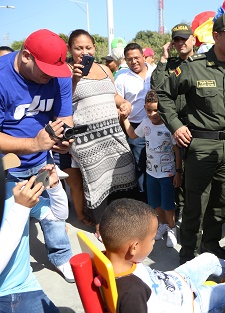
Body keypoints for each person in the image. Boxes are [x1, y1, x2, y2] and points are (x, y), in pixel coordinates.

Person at [99, 198, 225, 313]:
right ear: (133, 247)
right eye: (152, 239)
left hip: (178, 280)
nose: (154, 242)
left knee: (208, 259)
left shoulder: (115, 259)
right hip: (193, 303)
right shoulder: (131, 294)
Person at [157, 12, 225, 264]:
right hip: (201, 146)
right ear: (216, 36)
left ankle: (211, 246)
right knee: (196, 204)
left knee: (221, 202)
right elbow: (163, 96)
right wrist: (176, 125)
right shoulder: (192, 67)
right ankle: (188, 255)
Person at [0, 29, 75, 283]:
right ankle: (14, 277)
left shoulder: (59, 74)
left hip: (43, 159)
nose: (51, 77)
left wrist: (63, 140)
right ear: (25, 56)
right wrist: (33, 143)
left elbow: (64, 118)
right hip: (8, 165)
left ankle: (62, 257)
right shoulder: (1, 77)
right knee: (13, 222)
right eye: (45, 71)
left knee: (54, 215)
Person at [66, 29, 136, 233]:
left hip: (114, 135)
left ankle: (122, 222)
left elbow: (113, 95)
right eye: (78, 48)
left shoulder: (105, 69)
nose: (84, 52)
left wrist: (124, 103)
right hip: (88, 140)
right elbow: (62, 103)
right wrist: (75, 80)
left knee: (124, 175)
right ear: (70, 49)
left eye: (88, 47)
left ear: (94, 48)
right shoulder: (66, 71)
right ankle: (102, 228)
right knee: (97, 183)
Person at [0, 158, 68, 313]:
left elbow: (58, 215)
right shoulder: (18, 201)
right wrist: (21, 208)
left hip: (25, 287)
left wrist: (55, 188)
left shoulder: (13, 190)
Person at [120, 90, 182, 248]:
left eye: (157, 110)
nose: (153, 114)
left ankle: (172, 228)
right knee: (155, 204)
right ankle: (163, 225)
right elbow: (133, 135)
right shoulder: (145, 123)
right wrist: (125, 120)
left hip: (167, 173)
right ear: (144, 108)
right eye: (149, 110)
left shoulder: (169, 126)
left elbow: (177, 150)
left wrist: (178, 172)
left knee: (168, 205)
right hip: (151, 173)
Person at [151, 23, 196, 221]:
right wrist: (163, 58)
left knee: (191, 173)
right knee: (174, 171)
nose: (180, 43)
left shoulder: (201, 63)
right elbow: (156, 87)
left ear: (193, 39)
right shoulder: (170, 65)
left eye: (184, 38)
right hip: (172, 124)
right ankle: (178, 212)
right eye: (176, 39)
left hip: (195, 125)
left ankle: (190, 213)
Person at [115, 43, 152, 202]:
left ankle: (162, 204)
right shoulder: (122, 78)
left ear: (144, 57)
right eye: (129, 59)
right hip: (135, 129)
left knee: (162, 165)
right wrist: (124, 107)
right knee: (141, 167)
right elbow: (116, 100)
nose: (134, 62)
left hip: (157, 125)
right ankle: (145, 204)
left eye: (137, 58)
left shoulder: (156, 71)